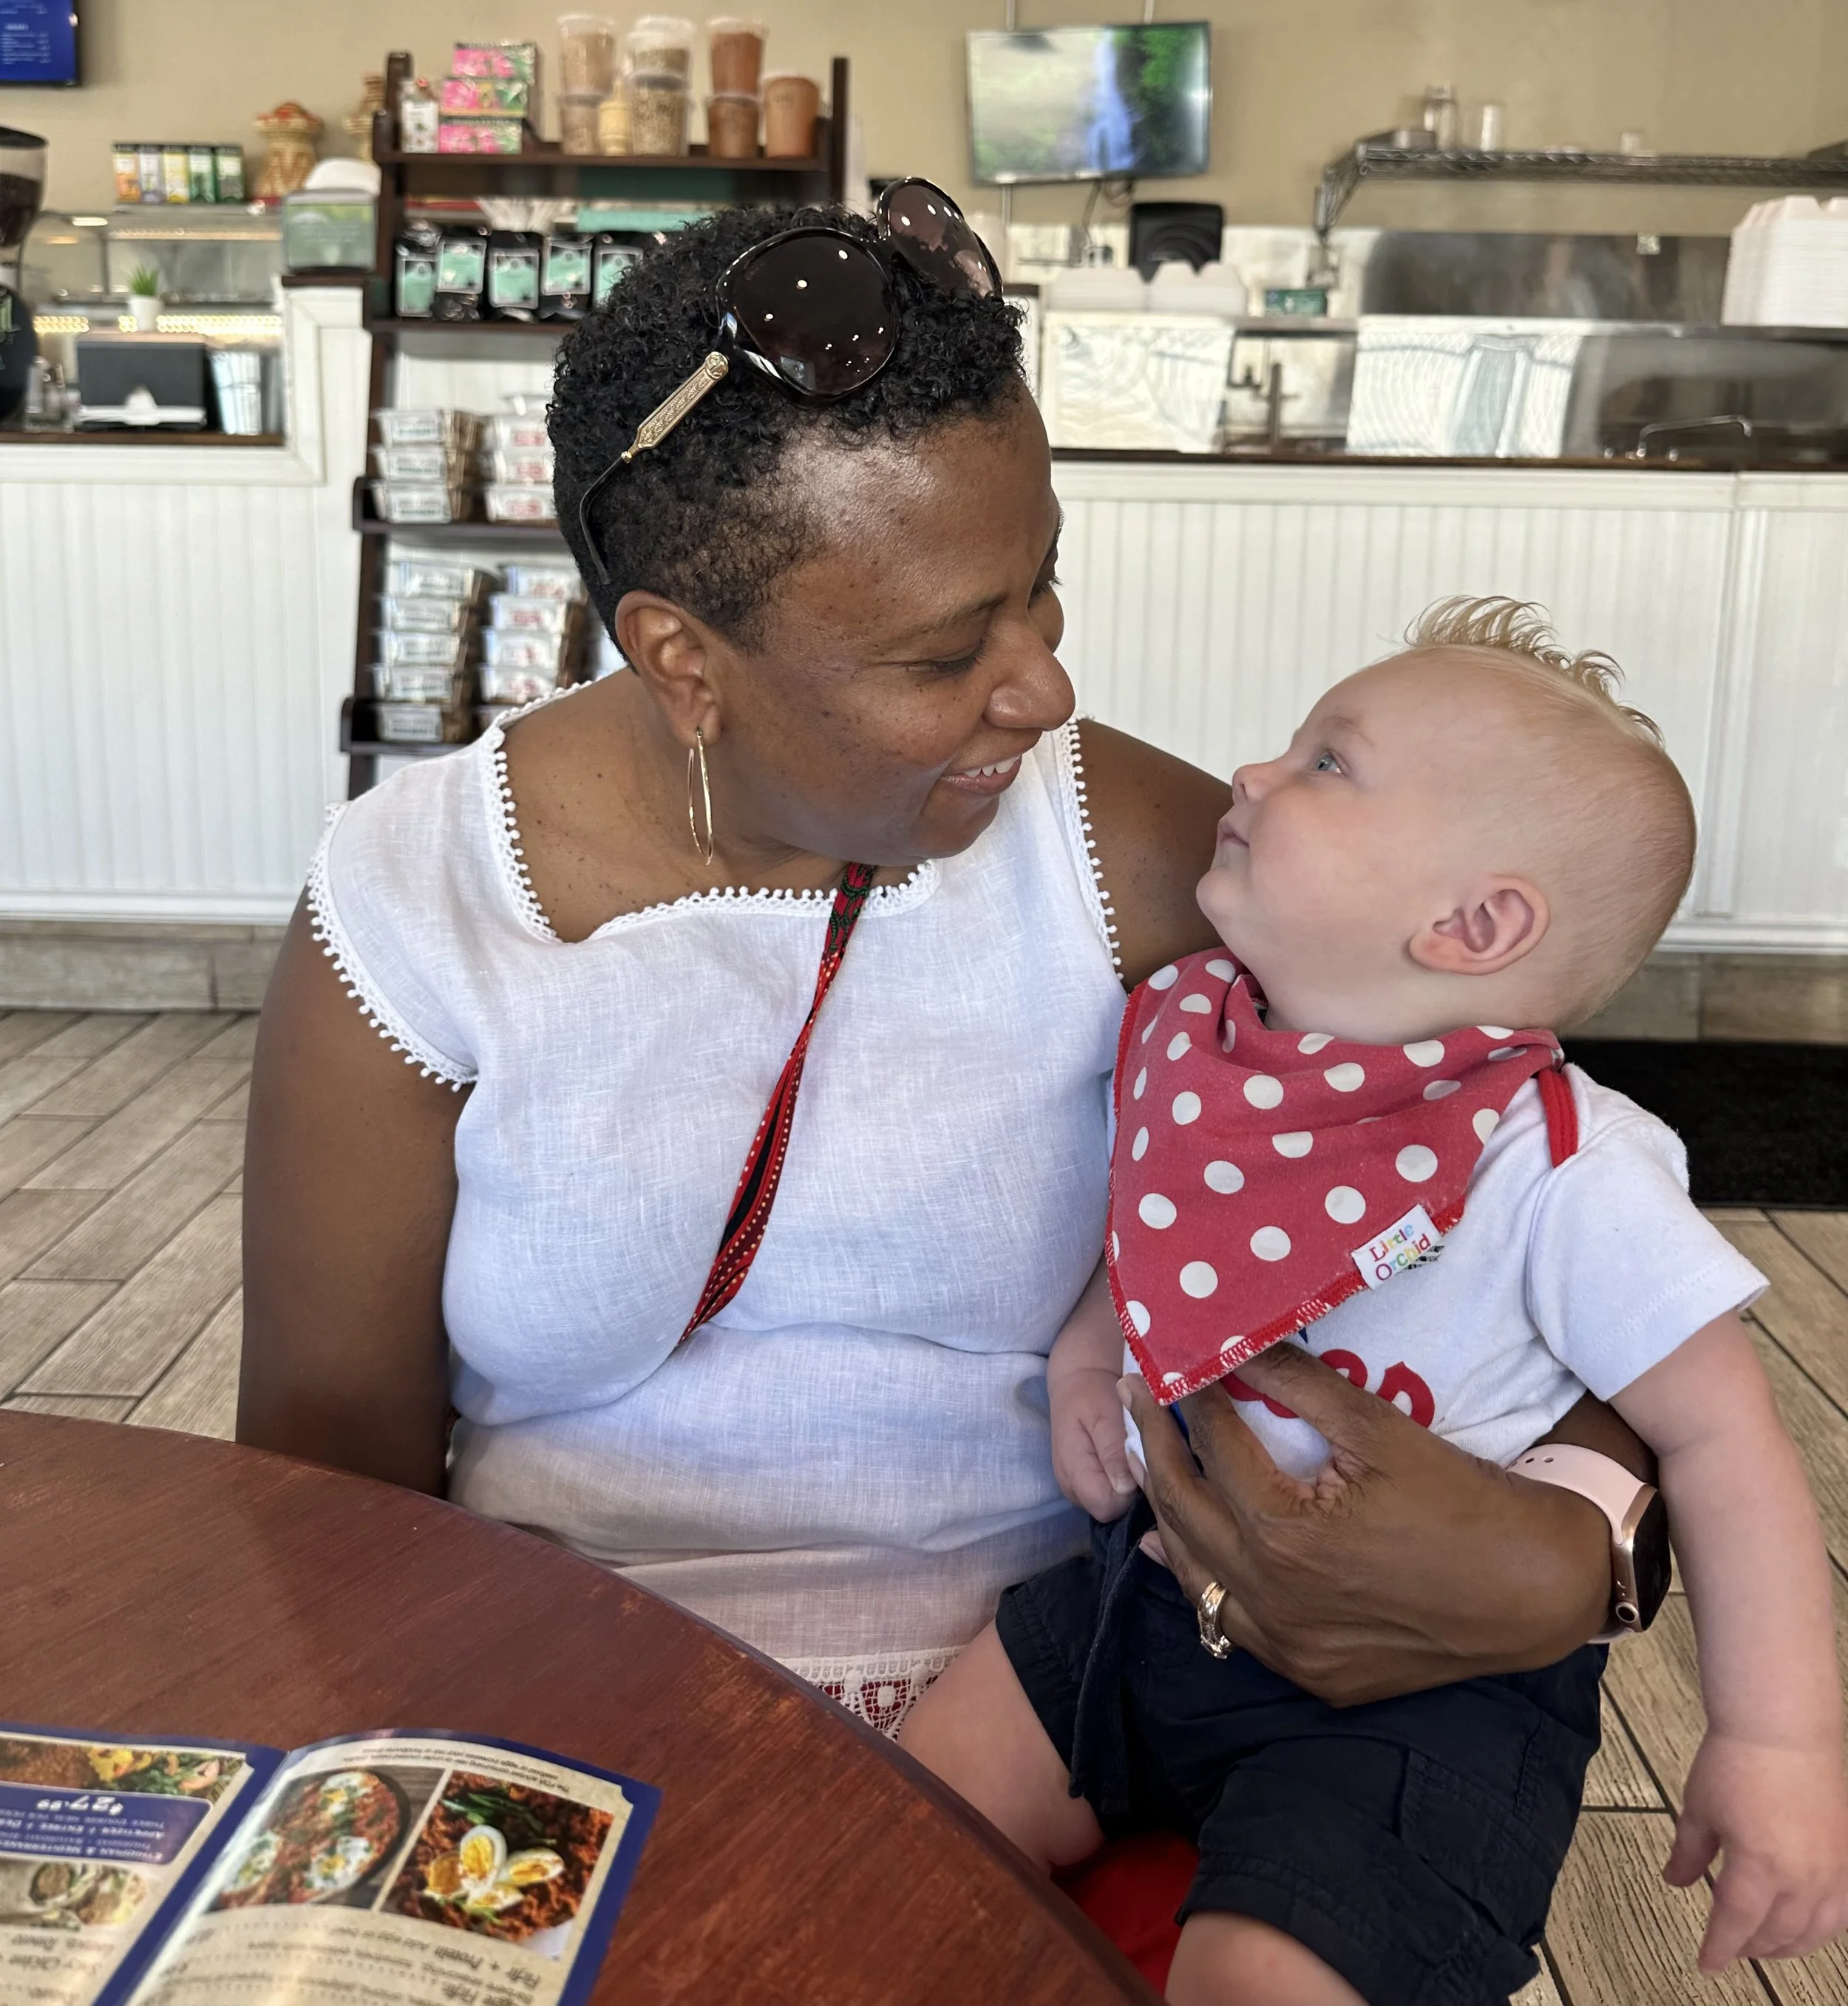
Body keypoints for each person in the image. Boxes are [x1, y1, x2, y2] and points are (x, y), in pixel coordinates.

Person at [240, 191, 1638, 1740]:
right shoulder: (420, 896)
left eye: (1042, 585)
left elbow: (1537, 1170)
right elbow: (324, 1468)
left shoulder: (1133, 855)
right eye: (945, 653)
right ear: (682, 659)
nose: (1044, 688)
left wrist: (1575, 1552)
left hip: (1067, 1701)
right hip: (559, 1694)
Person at [901, 605, 1848, 2006]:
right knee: (900, 1824)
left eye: (1327, 764)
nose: (1252, 774)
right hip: (1145, 1594)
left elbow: (1724, 1439)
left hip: (1421, 1695)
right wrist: (1095, 1352)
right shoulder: (1207, 1036)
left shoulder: (1558, 1162)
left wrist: (1778, 1744)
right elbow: (1160, 1228)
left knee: (1266, 1976)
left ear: (1475, 924)